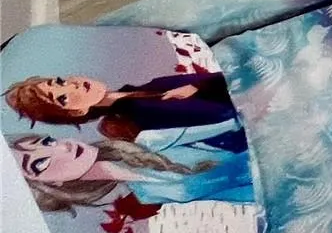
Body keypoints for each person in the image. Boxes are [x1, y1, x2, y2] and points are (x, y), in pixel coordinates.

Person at [11, 130, 253, 215]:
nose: (63, 146)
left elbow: (232, 121)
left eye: (47, 141)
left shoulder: (150, 140)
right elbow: (241, 198)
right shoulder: (148, 195)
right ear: (54, 183)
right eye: (41, 163)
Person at [3, 69, 243, 145]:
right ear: (77, 112)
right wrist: (200, 88)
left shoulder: (140, 90)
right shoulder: (141, 110)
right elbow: (224, 116)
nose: (73, 86)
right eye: (63, 98)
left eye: (59, 82)